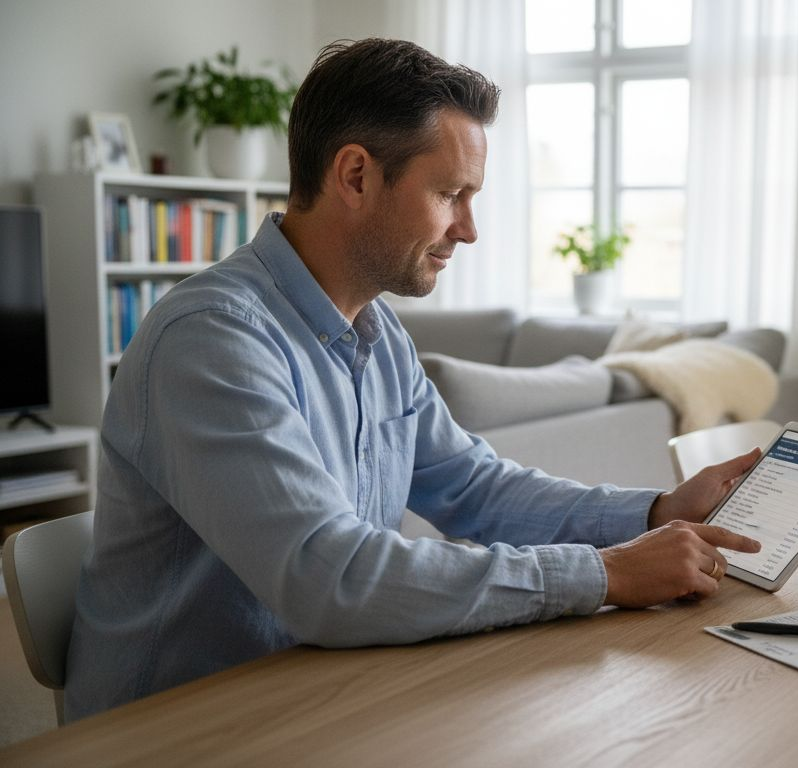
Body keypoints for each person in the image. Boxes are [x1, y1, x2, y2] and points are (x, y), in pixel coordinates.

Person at [64, 38, 761, 721]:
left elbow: (472, 486)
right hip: (181, 726)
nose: (469, 229)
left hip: (319, 686)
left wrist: (654, 514)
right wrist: (605, 573)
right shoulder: (213, 339)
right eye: (450, 193)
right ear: (357, 176)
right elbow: (328, 578)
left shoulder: (376, 331)